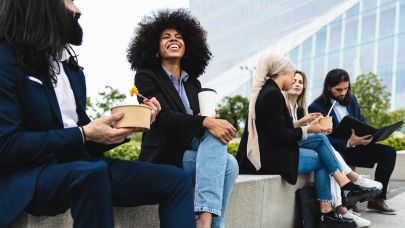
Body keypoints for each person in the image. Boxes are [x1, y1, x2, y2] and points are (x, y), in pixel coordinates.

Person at [0, 1, 196, 227]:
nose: (78, 11)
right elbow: (6, 145)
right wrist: (83, 134)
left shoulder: (72, 71)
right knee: (91, 172)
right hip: (31, 177)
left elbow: (88, 139)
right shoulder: (6, 61)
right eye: (70, 2)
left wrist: (123, 130)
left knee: (177, 179)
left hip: (86, 167)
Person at [235, 53, 384, 227]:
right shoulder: (272, 95)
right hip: (269, 158)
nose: (293, 80)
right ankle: (335, 200)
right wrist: (308, 129)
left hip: (272, 151)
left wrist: (304, 125)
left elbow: (278, 130)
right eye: (292, 75)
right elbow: (281, 136)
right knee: (321, 155)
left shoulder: (270, 92)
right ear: (282, 73)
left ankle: (341, 191)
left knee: (320, 139)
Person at [127, 8, 239, 228]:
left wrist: (206, 118)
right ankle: (208, 220)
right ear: (155, 47)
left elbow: (195, 123)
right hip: (165, 156)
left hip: (193, 151)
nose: (173, 40)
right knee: (229, 164)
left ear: (187, 46)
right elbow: (164, 118)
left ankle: (206, 220)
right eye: (166, 37)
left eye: (179, 37)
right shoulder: (146, 76)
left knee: (229, 161)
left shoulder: (193, 83)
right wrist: (205, 122)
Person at [285, 70, 383, 227]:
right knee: (324, 145)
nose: (297, 84)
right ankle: (348, 190)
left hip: (313, 146)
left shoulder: (301, 108)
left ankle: (331, 210)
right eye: (294, 80)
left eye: (301, 82)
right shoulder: (285, 105)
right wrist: (310, 128)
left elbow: (304, 134)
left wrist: (316, 128)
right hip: (286, 150)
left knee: (325, 150)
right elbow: (283, 132)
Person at [308, 68, 397, 215]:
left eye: (346, 88)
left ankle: (377, 199)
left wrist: (368, 136)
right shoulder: (316, 107)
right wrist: (348, 142)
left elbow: (361, 121)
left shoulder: (352, 99)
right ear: (329, 88)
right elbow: (322, 138)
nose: (343, 93)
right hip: (338, 151)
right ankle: (349, 200)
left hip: (358, 147)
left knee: (389, 153)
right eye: (338, 90)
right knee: (338, 156)